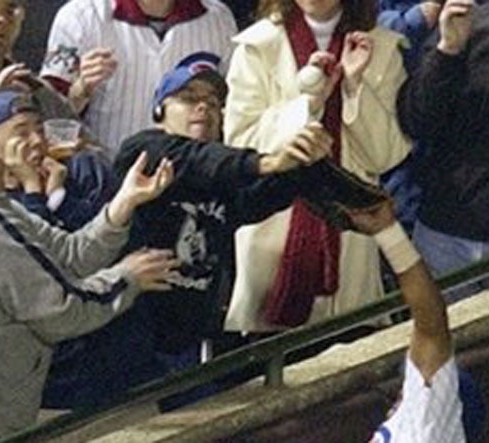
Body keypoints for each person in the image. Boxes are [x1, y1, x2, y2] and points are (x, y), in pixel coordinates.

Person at [114, 52, 385, 373]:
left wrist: (356, 200)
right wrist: (268, 161)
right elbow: (194, 158)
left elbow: (275, 187)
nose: (204, 107)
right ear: (159, 111)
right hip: (127, 331)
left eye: (214, 103)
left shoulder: (226, 181)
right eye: (188, 98)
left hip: (188, 341)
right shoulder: (142, 152)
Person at [0, 112, 179, 442]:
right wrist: (127, 277)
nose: (1, 160)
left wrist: (123, 202)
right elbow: (60, 311)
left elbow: (68, 255)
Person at [223, 0, 412, 332]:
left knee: (353, 369)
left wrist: (354, 88)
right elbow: (240, 146)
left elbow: (386, 156)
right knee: (270, 371)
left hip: (350, 237)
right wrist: (308, 104)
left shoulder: (382, 46)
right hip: (271, 234)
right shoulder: (255, 45)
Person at [397, 0, 489, 284]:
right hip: (444, 230)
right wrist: (447, 50)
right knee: (438, 328)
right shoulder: (465, 22)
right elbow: (416, 122)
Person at [345, 201, 484, 442]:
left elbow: (432, 325)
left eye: (408, 392)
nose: (402, 393)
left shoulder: (425, 426)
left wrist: (388, 234)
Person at [41, 0, 238, 157]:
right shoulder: (80, 15)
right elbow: (46, 117)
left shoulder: (218, 18)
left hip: (193, 177)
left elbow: (235, 107)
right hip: (109, 178)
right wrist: (81, 90)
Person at [0, 90, 116, 231]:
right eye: (22, 133)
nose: (37, 140)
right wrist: (32, 189)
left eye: (40, 130)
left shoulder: (81, 169)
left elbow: (105, 234)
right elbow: (34, 246)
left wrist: (58, 196)